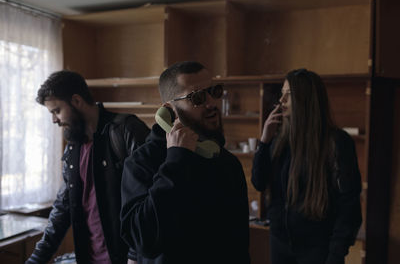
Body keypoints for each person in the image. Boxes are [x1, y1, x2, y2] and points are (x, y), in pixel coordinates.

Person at [120, 61, 250, 264]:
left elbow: (239, 244)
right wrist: (175, 162)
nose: (212, 104)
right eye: (197, 97)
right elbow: (143, 240)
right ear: (168, 110)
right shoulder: (142, 162)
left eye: (214, 91)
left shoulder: (225, 161)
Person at [26, 70, 150, 264]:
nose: (54, 120)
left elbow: (151, 199)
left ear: (76, 101)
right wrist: (36, 260)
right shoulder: (73, 149)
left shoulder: (126, 130)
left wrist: (134, 256)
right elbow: (62, 208)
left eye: (56, 111)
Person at [252, 68, 362, 264]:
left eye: (289, 95)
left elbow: (349, 207)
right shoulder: (279, 141)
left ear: (306, 99)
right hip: (280, 244)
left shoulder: (336, 142)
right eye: (281, 94)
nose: (281, 101)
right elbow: (259, 182)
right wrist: (264, 141)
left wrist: (336, 255)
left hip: (317, 249)